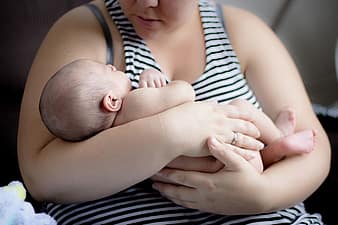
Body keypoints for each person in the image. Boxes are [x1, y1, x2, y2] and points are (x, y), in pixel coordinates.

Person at [17, 0, 330, 224]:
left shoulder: (244, 31)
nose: (144, 3)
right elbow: (41, 176)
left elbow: (314, 149)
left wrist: (261, 196)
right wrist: (175, 131)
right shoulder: (83, 31)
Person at [39, 58, 314, 172]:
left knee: (251, 161)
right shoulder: (134, 103)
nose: (113, 66)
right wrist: (155, 78)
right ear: (111, 101)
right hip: (220, 134)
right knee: (242, 107)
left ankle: (272, 153)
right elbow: (184, 94)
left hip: (207, 164)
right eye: (107, 71)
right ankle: (279, 139)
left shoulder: (113, 143)